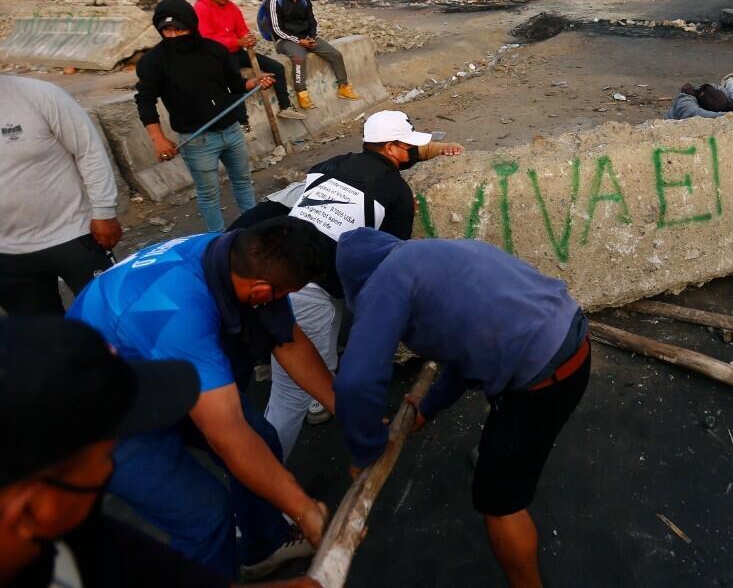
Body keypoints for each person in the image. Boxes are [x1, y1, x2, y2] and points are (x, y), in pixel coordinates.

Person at [68, 218, 337, 579]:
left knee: (262, 439)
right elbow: (229, 437)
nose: (283, 301)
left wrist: (344, 407)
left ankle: (263, 548)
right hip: (99, 409)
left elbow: (286, 339)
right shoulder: (180, 313)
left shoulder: (235, 252)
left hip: (154, 369)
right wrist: (305, 510)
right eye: (285, 294)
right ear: (260, 291)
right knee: (204, 516)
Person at [334, 229, 592, 588]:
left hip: (542, 376)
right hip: (572, 342)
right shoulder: (434, 257)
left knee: (499, 504)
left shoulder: (385, 281)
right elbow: (465, 345)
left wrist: (365, 451)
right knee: (506, 450)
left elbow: (356, 382)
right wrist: (430, 405)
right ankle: (502, 459)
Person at [0, 316, 319, 588]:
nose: (110, 468)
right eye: (106, 457)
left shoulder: (69, 527)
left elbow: (156, 572)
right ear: (28, 510)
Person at [229, 111, 463, 458]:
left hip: (273, 265)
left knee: (308, 333)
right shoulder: (395, 191)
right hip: (307, 286)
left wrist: (438, 148)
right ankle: (267, 470)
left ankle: (298, 388)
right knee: (293, 390)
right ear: (392, 148)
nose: (413, 151)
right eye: (408, 145)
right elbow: (385, 256)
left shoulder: (331, 163)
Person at [138, 0, 270, 232]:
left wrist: (254, 83)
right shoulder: (153, 62)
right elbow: (145, 101)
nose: (173, 36)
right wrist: (158, 139)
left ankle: (253, 230)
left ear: (191, 25)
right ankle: (217, 241)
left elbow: (236, 84)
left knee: (242, 182)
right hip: (197, 140)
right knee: (209, 194)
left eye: (179, 30)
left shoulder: (215, 50)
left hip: (231, 130)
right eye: (166, 31)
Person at [0, 76, 118, 315]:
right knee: (43, 341)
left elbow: (88, 150)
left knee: (113, 318)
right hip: (8, 254)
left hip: (74, 233)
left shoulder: (40, 95)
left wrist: (104, 211)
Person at [195, 0, 305, 122]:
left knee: (277, 68)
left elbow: (241, 29)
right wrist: (237, 42)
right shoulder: (201, 8)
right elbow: (207, 39)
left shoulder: (231, 7)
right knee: (235, 83)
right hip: (219, 57)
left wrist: (248, 37)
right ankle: (244, 124)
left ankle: (285, 107)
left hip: (237, 52)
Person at [268, 0, 360, 111]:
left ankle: (343, 87)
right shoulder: (275, 1)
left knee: (335, 54)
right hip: (286, 40)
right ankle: (302, 93)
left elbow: (312, 21)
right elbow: (277, 29)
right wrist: (298, 41)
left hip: (306, 37)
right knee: (299, 57)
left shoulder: (304, 0)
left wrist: (311, 37)